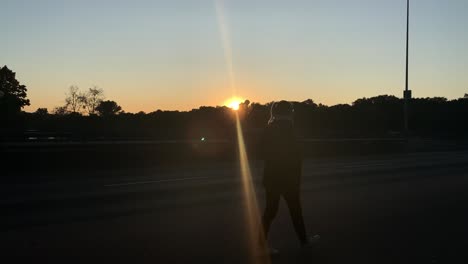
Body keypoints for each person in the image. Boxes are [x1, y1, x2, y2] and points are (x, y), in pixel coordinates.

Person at [260, 100, 319, 254]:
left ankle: (260, 245)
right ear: (289, 112)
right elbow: (296, 156)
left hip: (271, 177)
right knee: (295, 211)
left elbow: (262, 152)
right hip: (288, 178)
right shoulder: (290, 129)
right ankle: (304, 242)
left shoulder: (268, 128)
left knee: (270, 212)